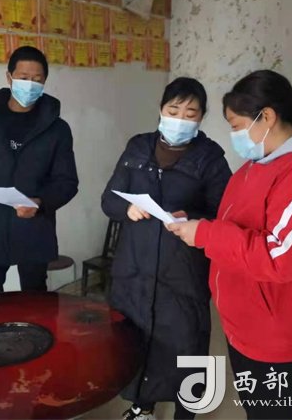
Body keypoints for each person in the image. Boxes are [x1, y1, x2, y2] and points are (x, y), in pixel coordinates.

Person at [167, 70, 292, 419]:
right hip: (245, 322)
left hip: (277, 331)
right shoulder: (257, 165)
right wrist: (195, 223)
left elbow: (282, 257)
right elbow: (238, 226)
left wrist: (205, 234)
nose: (235, 136)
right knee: (257, 410)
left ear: (266, 116)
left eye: (237, 126)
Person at [101, 77, 232, 420]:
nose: (180, 119)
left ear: (201, 117)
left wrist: (194, 218)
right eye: (174, 110)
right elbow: (109, 199)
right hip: (134, 269)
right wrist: (126, 208)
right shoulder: (137, 148)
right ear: (161, 109)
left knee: (184, 345)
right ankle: (142, 407)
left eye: (190, 113)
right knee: (137, 342)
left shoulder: (210, 158)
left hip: (182, 272)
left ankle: (185, 414)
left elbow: (226, 214)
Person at [0, 46, 78, 295]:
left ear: (44, 82)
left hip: (34, 230)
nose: (30, 84)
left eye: (37, 79)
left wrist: (40, 203)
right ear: (9, 77)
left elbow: (67, 182)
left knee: (34, 304)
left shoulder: (57, 129)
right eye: (23, 77)